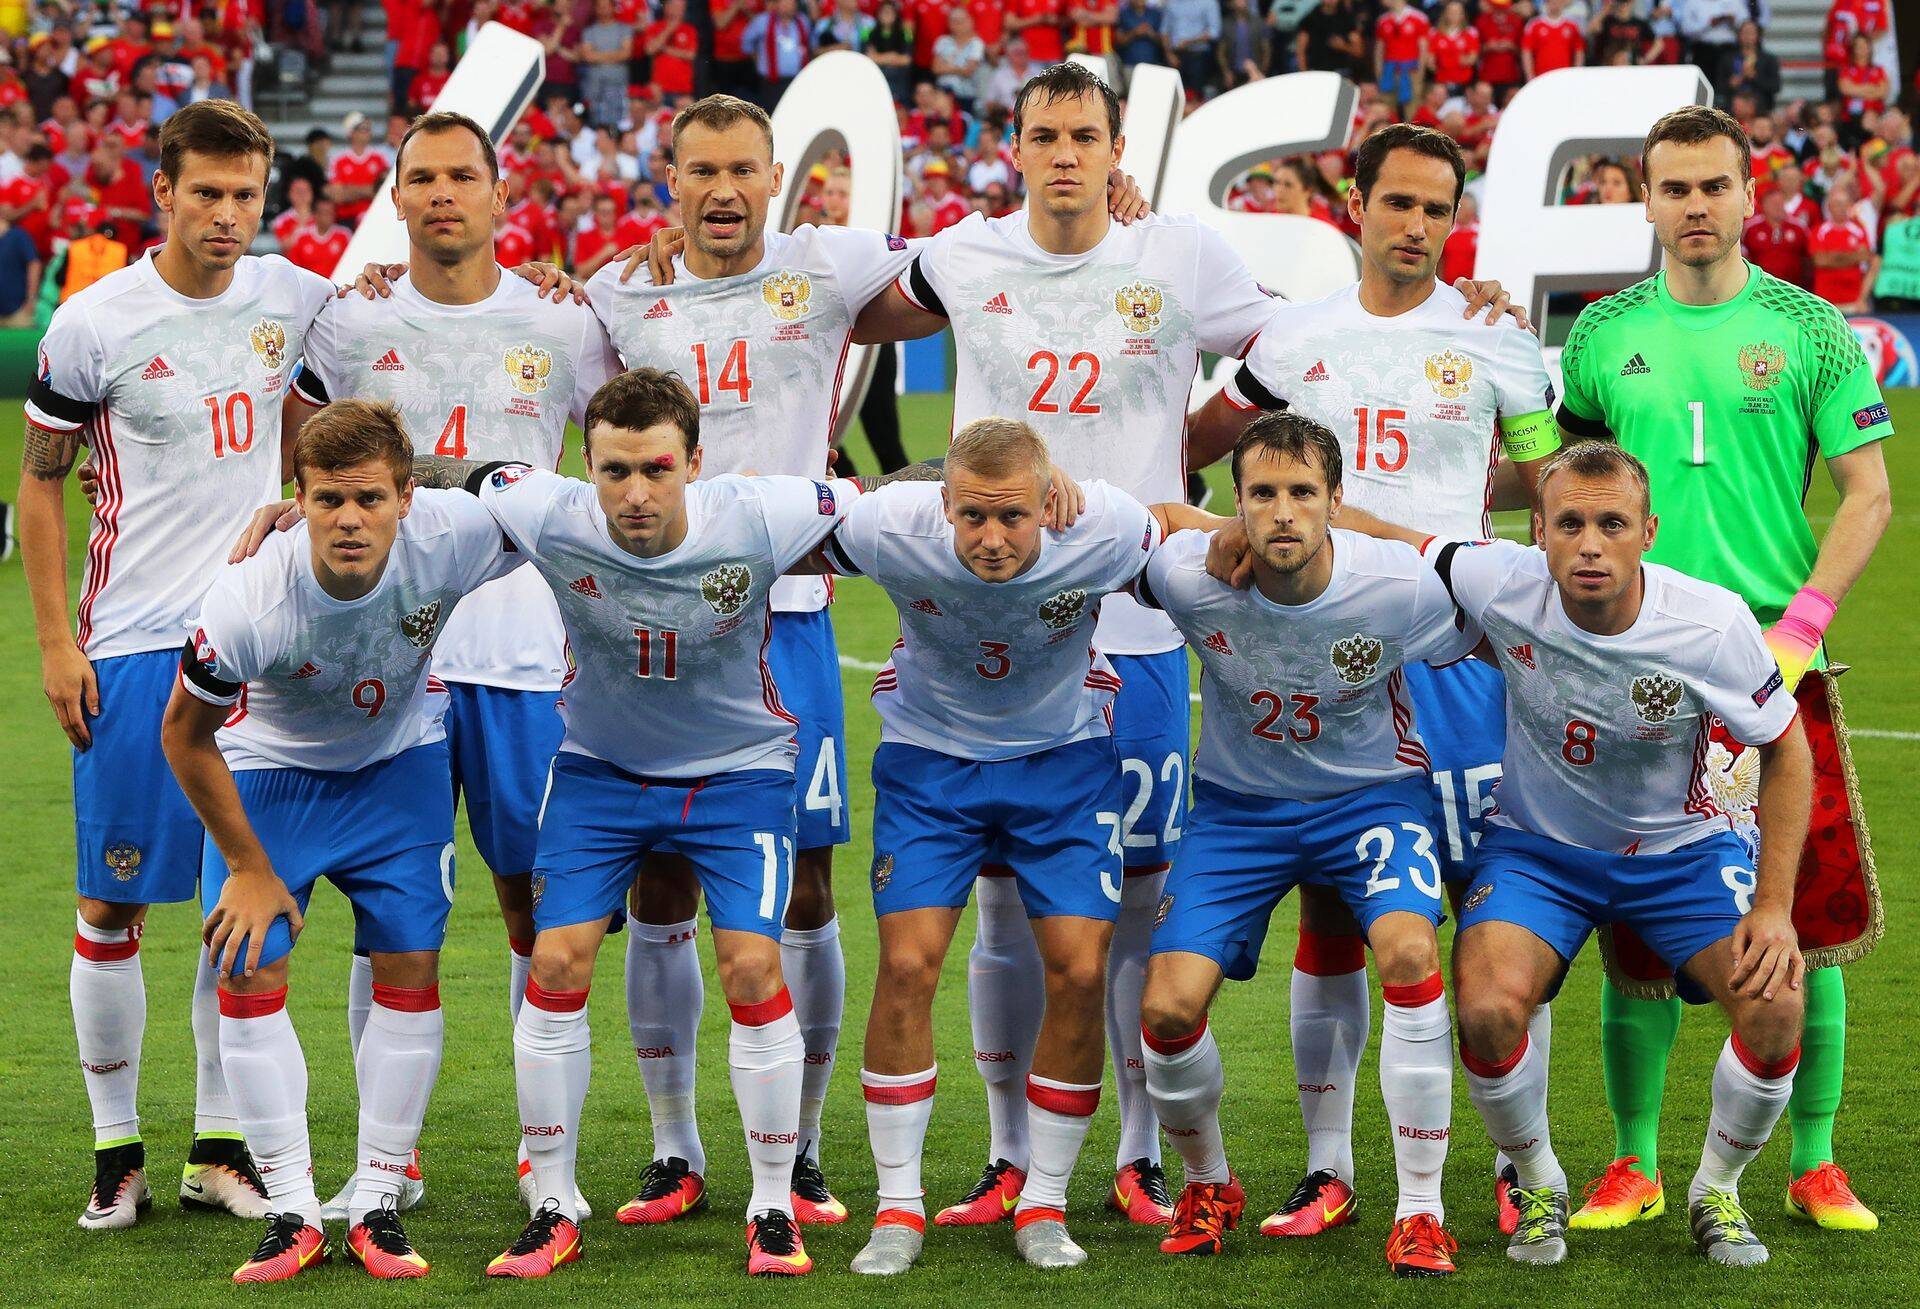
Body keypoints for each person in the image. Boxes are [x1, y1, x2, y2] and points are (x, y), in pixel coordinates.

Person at [856, 61, 1278, 1231]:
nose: (1062, 153)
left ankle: (1138, 1152)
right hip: (987, 614)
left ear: (1111, 150)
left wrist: (1195, 441)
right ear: (1018, 146)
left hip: (1136, 620)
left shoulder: (1178, 256)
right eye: (1043, 134)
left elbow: (1291, 346)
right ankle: (1005, 1155)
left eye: (1082, 134)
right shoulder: (966, 253)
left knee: (1132, 902)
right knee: (996, 902)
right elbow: (833, 307)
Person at [409, 369, 926, 1279]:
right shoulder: (549, 509)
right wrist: (310, 499)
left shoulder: (761, 512)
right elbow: (457, 468)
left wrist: (1006, 479)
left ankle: (771, 1203)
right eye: (613, 471)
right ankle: (556, 1201)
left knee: (752, 964)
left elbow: (886, 493)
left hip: (739, 776)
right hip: (601, 773)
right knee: (558, 959)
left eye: (656, 468)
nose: (635, 493)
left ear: (695, 461)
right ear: (584, 464)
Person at [1186, 123, 1554, 1238]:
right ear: (1357, 202)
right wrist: (1216, 532)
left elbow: (1543, 492)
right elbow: (1198, 436)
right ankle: (1329, 1166)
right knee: (1332, 923)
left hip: (1451, 661)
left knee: (1484, 926)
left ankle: (1512, 1159)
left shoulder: (1498, 341)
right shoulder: (1292, 337)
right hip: (1319, 664)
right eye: (1398, 203)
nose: (1417, 226)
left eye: (1438, 209)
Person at [1555, 104, 1893, 1237]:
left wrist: (1799, 625)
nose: (1694, 206)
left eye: (1713, 186)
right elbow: (1559, 482)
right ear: (1644, 200)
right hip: (1636, 664)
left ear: (1750, 196)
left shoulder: (1810, 328)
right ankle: (1634, 1162)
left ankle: (1815, 1159)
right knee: (1640, 924)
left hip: (1773, 662)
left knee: (1810, 916)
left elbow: (1869, 493)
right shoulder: (1603, 332)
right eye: (1673, 188)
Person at [586, 94, 917, 1229]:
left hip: (786, 616)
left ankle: (806, 1145)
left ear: (779, 178)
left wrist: (1110, 208)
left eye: (742, 168)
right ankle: (673, 1149)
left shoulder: (827, 271)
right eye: (699, 169)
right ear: (667, 179)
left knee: (812, 883)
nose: (722, 188)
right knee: (659, 879)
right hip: (656, 626)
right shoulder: (617, 294)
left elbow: (972, 279)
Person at [291, 110, 623, 1224]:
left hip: (528, 656)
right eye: (421, 178)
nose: (442, 195)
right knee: (390, 915)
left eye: (461, 177)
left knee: (540, 912)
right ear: (398, 198)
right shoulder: (350, 319)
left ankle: (547, 1156)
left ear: (498, 189)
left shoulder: (565, 319)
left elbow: (636, 433)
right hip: (384, 659)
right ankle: (391, 1158)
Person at [19, 99, 333, 1234]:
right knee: (111, 902)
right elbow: (42, 480)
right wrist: (58, 639)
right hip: (137, 646)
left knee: (235, 904)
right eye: (206, 192)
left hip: (257, 646)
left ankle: (214, 1147)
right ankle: (116, 1151)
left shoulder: (294, 299)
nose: (227, 214)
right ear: (164, 189)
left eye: (246, 194)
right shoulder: (95, 322)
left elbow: (422, 297)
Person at [1404, 441, 1813, 1268]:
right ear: (1539, 531)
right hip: (1536, 851)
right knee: (1484, 1008)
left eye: (1612, 523)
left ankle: (1717, 1190)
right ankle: (1539, 1178)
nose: (1590, 543)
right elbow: (1392, 541)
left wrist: (1773, 907)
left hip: (1682, 852)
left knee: (1775, 1007)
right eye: (1571, 523)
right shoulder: (1499, 580)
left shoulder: (1711, 621)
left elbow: (1788, 747)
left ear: (1648, 531)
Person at [826, 420, 1197, 1273]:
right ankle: (897, 1207)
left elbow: (1178, 524)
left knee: (1076, 968)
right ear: (942, 504)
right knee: (910, 964)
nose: (991, 540)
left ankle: (1045, 1202)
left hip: (1062, 767)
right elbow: (761, 518)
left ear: (1047, 503)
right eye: (972, 518)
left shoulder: (1099, 523)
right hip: (931, 767)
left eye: (1013, 518)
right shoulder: (888, 524)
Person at [167, 402, 520, 1282]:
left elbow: (553, 504)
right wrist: (249, 865)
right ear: (299, 496)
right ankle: (290, 1210)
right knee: (245, 970)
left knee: (409, 971)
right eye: (327, 500)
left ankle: (374, 1201)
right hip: (268, 778)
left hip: (398, 769)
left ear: (408, 495)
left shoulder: (458, 535)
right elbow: (183, 734)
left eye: (370, 497)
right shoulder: (250, 592)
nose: (349, 520)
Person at [1141, 413, 1477, 1275]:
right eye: (1262, 494)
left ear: (1335, 501)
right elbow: (1148, 524)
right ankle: (1210, 1182)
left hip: (1369, 800)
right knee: (1168, 1012)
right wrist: (1194, 523)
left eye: (1302, 494)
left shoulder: (1398, 587)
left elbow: (1496, 614)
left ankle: (1422, 1209)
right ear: (1238, 506)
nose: (1282, 512)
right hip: (1237, 808)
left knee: (1407, 952)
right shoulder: (1189, 575)